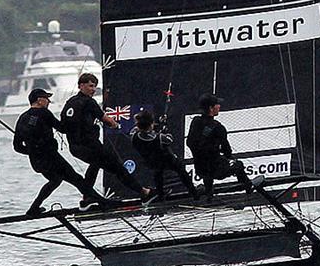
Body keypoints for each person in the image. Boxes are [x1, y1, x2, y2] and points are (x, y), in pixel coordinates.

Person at [13, 88, 110, 217]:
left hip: (36, 161)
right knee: (77, 179)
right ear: (39, 100)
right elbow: (62, 128)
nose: (49, 101)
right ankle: (103, 202)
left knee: (55, 180)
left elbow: (17, 146)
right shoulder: (43, 113)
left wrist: (33, 151)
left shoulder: (23, 118)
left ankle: (33, 209)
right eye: (47, 98)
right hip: (51, 157)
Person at [61, 72, 152, 204]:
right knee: (118, 168)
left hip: (75, 148)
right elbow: (106, 119)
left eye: (94, 86)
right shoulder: (89, 102)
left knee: (95, 165)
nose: (93, 89)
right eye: (90, 86)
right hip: (90, 146)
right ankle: (144, 192)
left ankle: (87, 198)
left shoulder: (70, 102)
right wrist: (116, 125)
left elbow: (63, 125)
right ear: (81, 86)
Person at [186, 94, 255, 202]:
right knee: (238, 165)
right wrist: (224, 155)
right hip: (216, 170)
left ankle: (209, 193)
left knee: (208, 166)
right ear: (211, 108)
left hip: (200, 168)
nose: (219, 106)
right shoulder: (219, 127)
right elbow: (227, 151)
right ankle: (249, 187)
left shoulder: (195, 121)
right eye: (217, 104)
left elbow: (190, 143)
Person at [130, 110, 199, 203]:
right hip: (167, 160)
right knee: (182, 171)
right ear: (151, 124)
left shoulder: (133, 135)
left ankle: (161, 195)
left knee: (158, 175)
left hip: (151, 161)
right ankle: (194, 192)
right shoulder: (159, 138)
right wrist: (165, 129)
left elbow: (145, 131)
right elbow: (169, 139)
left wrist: (159, 125)